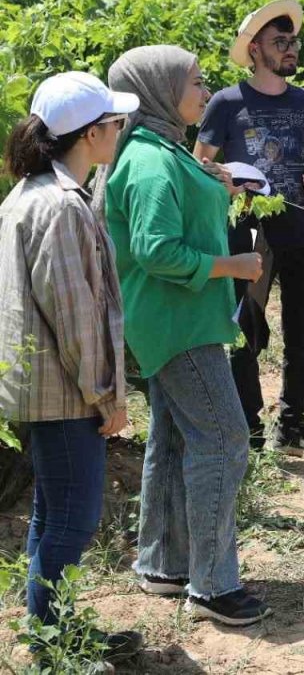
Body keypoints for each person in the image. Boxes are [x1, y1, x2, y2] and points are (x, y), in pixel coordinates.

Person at [103, 46, 272, 627]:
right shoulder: (151, 162)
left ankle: (163, 564)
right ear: (158, 90)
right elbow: (155, 250)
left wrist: (216, 187)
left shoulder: (159, 149)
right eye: (195, 83)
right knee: (225, 437)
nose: (205, 92)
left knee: (175, 440)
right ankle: (213, 585)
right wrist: (233, 267)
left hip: (176, 320)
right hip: (178, 324)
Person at [0, 72, 143, 663]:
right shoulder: (60, 206)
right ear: (91, 134)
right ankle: (54, 648)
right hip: (62, 394)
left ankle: (53, 634)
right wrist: (105, 395)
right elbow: (75, 314)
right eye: (115, 123)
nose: (120, 130)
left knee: (52, 514)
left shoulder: (31, 193)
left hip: (39, 388)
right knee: (73, 521)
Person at [194, 0, 304, 459]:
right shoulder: (226, 103)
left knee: (302, 332)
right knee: (245, 328)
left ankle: (293, 423)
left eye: (293, 41)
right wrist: (229, 183)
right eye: (280, 42)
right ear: (255, 49)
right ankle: (248, 427)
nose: (291, 49)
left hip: (302, 230)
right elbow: (199, 167)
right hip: (245, 235)